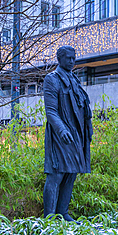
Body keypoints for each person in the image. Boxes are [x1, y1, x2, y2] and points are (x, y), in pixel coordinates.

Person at [43, 46, 93, 220]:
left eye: (74, 58)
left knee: (71, 174)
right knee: (56, 174)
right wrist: (61, 129)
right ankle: (49, 217)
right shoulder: (52, 79)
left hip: (77, 133)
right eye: (69, 58)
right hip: (60, 136)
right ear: (60, 58)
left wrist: (88, 126)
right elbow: (51, 111)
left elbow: (83, 106)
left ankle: (63, 213)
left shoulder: (74, 80)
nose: (72, 61)